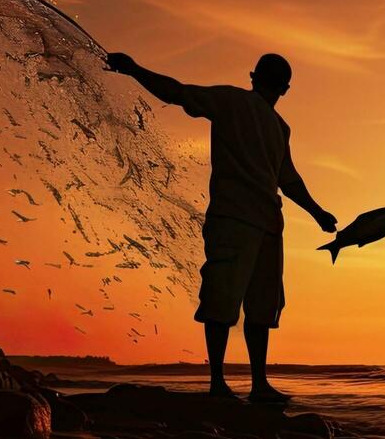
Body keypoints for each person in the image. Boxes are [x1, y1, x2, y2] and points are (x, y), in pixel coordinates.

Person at [104, 51, 336, 402]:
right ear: (282, 88)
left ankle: (250, 384)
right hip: (237, 219)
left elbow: (286, 178)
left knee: (253, 306)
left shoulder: (273, 123)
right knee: (230, 302)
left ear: (255, 78)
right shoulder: (233, 102)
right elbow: (177, 92)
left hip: (264, 225)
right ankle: (223, 384)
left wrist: (317, 212)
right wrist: (135, 69)